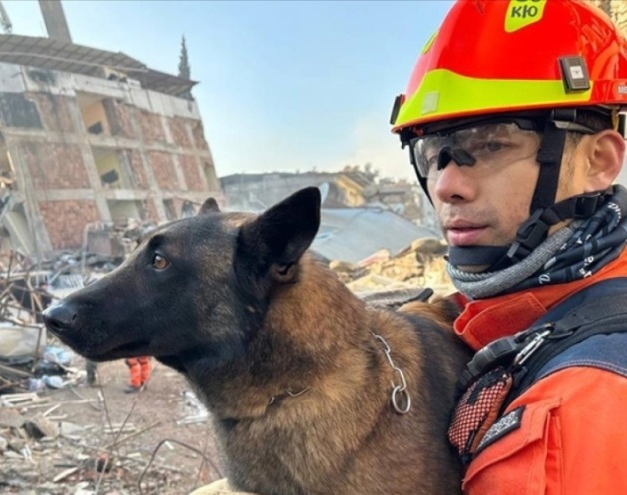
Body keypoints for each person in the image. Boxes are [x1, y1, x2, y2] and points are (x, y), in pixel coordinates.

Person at [192, 1, 627, 493]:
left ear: (598, 160)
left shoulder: (571, 417)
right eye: (432, 154)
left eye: (489, 145)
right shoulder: (532, 307)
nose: (446, 185)